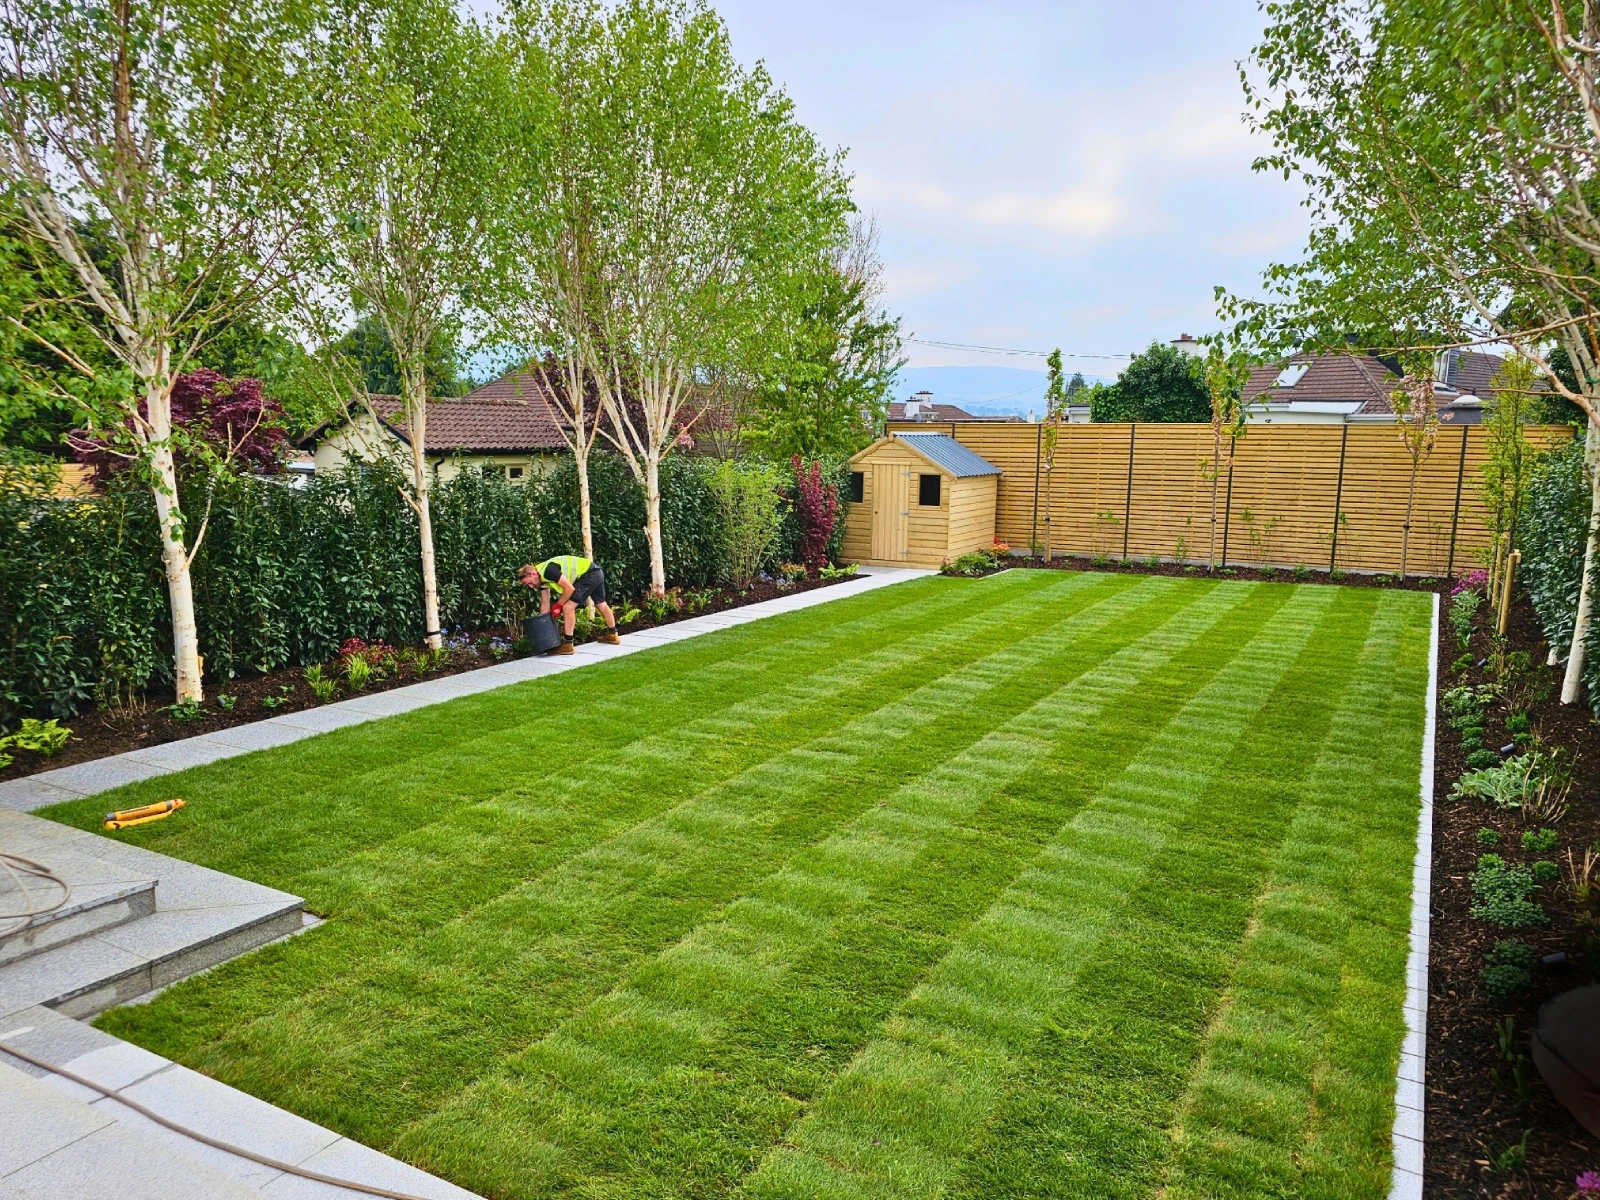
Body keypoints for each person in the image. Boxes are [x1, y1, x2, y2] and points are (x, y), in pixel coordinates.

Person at [519, 555, 619, 655]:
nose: (531, 587)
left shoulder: (548, 570)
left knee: (567, 607)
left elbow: (569, 589)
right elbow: (545, 604)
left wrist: (558, 606)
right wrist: (543, 626)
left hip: (589, 574)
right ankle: (613, 634)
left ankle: (568, 644)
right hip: (596, 571)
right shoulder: (542, 581)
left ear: (532, 573)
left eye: (530, 583)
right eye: (528, 585)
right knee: (601, 603)